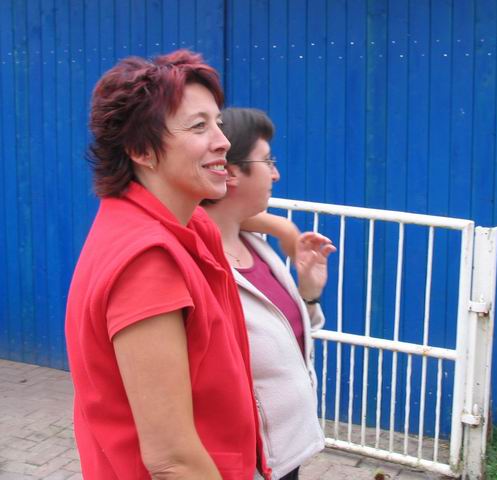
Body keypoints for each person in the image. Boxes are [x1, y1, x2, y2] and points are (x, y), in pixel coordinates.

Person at [65, 51, 272, 479]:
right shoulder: (146, 262)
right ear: (142, 150)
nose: (223, 140)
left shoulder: (183, 224)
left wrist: (283, 230)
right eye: (199, 126)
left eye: (218, 122)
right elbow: (172, 460)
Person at [202, 108, 336, 480]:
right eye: (268, 161)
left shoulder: (254, 245)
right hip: (245, 463)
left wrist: (309, 295)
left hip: (285, 454)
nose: (275, 174)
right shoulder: (200, 267)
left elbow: (287, 341)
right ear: (230, 172)